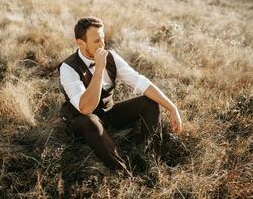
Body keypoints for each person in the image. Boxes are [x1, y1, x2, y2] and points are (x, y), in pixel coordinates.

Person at [58, 17, 183, 172]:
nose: (102, 45)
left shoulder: (111, 57)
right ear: (80, 43)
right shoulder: (68, 68)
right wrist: (98, 69)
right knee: (89, 121)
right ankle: (123, 171)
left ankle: (150, 160)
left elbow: (140, 82)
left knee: (150, 102)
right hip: (82, 122)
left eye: (103, 39)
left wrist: (172, 108)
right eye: (96, 41)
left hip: (107, 114)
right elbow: (85, 108)